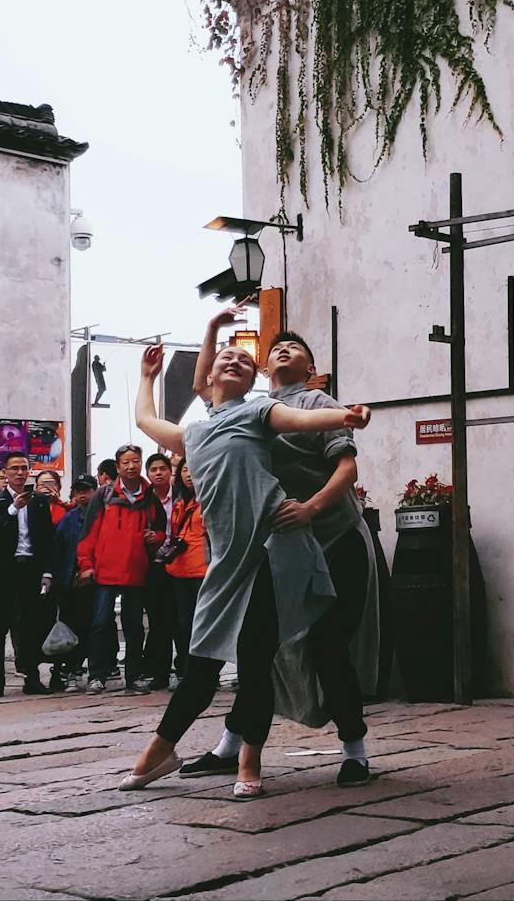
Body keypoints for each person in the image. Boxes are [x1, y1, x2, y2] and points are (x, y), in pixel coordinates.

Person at [118, 342, 369, 798]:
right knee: (212, 658)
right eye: (226, 358)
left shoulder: (274, 408)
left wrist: (344, 418)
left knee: (288, 653)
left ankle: (284, 755)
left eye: (245, 360)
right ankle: (185, 746)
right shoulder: (203, 428)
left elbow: (312, 431)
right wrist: (149, 375)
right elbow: (151, 418)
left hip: (294, 541)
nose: (236, 361)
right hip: (232, 555)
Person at [183, 321, 382, 787]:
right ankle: (231, 746)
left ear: (310, 368)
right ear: (262, 367)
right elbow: (202, 384)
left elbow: (347, 467)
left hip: (335, 538)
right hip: (282, 548)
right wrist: (212, 329)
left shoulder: (317, 402)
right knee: (258, 650)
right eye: (277, 349)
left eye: (295, 348)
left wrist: (311, 508)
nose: (284, 351)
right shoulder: (251, 407)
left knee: (329, 646)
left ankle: (356, 751)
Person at [75, 445, 166, 694]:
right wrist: (86, 564)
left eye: (135, 461)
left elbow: (161, 530)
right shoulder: (103, 496)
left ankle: (133, 677)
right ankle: (97, 674)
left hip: (136, 572)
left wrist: (155, 537)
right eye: (125, 462)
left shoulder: (150, 498)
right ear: (118, 467)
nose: (131, 466)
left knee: (134, 626)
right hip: (105, 571)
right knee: (100, 624)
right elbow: (88, 535)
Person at [0, 454, 56, 698]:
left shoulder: (40, 502)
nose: (21, 473)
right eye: (15, 469)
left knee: (31, 624)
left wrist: (47, 571)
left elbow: (47, 539)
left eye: (25, 468)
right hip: (4, 569)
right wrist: (13, 509)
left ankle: (32, 678)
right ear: (6, 472)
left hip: (30, 566)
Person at [49, 474, 98, 691]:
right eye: (78, 491)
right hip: (70, 584)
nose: (82, 496)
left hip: (97, 582)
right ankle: (71, 671)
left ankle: (97, 672)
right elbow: (57, 552)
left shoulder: (103, 516)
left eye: (86, 490)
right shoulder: (68, 520)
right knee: (70, 628)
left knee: (96, 628)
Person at [163, 459, 209, 689]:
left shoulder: (211, 498)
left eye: (193, 467)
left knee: (204, 624)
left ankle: (204, 673)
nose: (189, 474)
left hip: (204, 570)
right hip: (180, 570)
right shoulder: (180, 502)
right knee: (183, 623)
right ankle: (184, 670)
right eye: (184, 469)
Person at [142, 452, 180, 690]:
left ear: (169, 472)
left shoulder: (183, 496)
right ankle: (160, 673)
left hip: (180, 564)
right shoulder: (144, 500)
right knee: (157, 622)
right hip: (153, 565)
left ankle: (185, 669)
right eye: (153, 469)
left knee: (182, 620)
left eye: (162, 469)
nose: (158, 473)